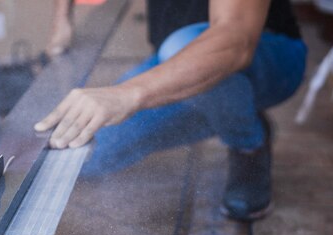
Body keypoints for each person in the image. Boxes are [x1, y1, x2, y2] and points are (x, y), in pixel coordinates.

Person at [34, 0, 307, 221]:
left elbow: (235, 40)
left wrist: (127, 95)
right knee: (83, 156)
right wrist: (62, 20)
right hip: (176, 62)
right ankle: (231, 109)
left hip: (267, 55)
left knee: (182, 45)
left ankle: (248, 142)